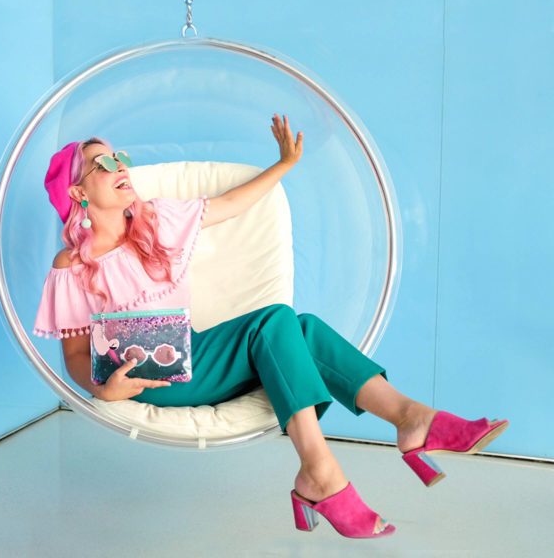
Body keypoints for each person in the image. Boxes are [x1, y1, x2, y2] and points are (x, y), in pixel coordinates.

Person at [34, 114, 508, 539]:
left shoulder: (157, 220)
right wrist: (105, 392)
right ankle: (333, 464)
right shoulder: (73, 264)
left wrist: (283, 165)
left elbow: (231, 203)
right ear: (78, 192)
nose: (120, 166)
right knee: (279, 322)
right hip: (147, 382)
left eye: (121, 157)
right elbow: (76, 358)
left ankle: (404, 424)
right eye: (103, 164)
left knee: (300, 328)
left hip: (194, 352)